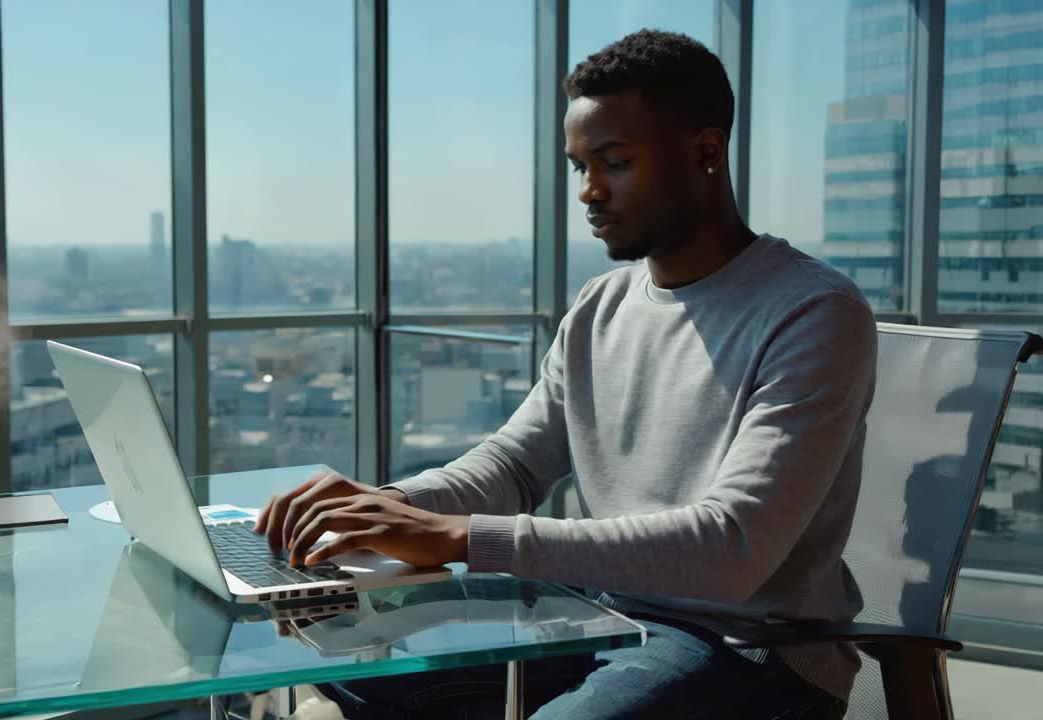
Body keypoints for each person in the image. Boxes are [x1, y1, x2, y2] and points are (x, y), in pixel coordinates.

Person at [254, 29, 875, 719]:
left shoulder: (815, 312)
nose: (589, 191)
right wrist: (386, 509)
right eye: (580, 164)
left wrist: (461, 538)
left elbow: (733, 549)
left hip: (751, 649)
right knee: (343, 662)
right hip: (600, 618)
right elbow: (514, 467)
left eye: (614, 161)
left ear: (705, 150)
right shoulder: (600, 306)